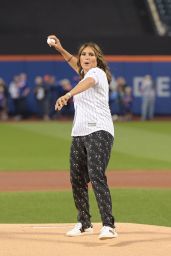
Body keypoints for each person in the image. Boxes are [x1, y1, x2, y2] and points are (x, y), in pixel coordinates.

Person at [47, 35, 117, 240]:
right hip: (79, 133)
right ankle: (84, 223)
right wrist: (60, 48)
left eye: (91, 55)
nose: (86, 57)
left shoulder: (97, 73)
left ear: (98, 59)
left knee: (96, 175)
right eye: (83, 54)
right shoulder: (83, 70)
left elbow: (87, 82)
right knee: (76, 178)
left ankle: (109, 225)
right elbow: (73, 62)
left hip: (100, 131)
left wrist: (68, 95)